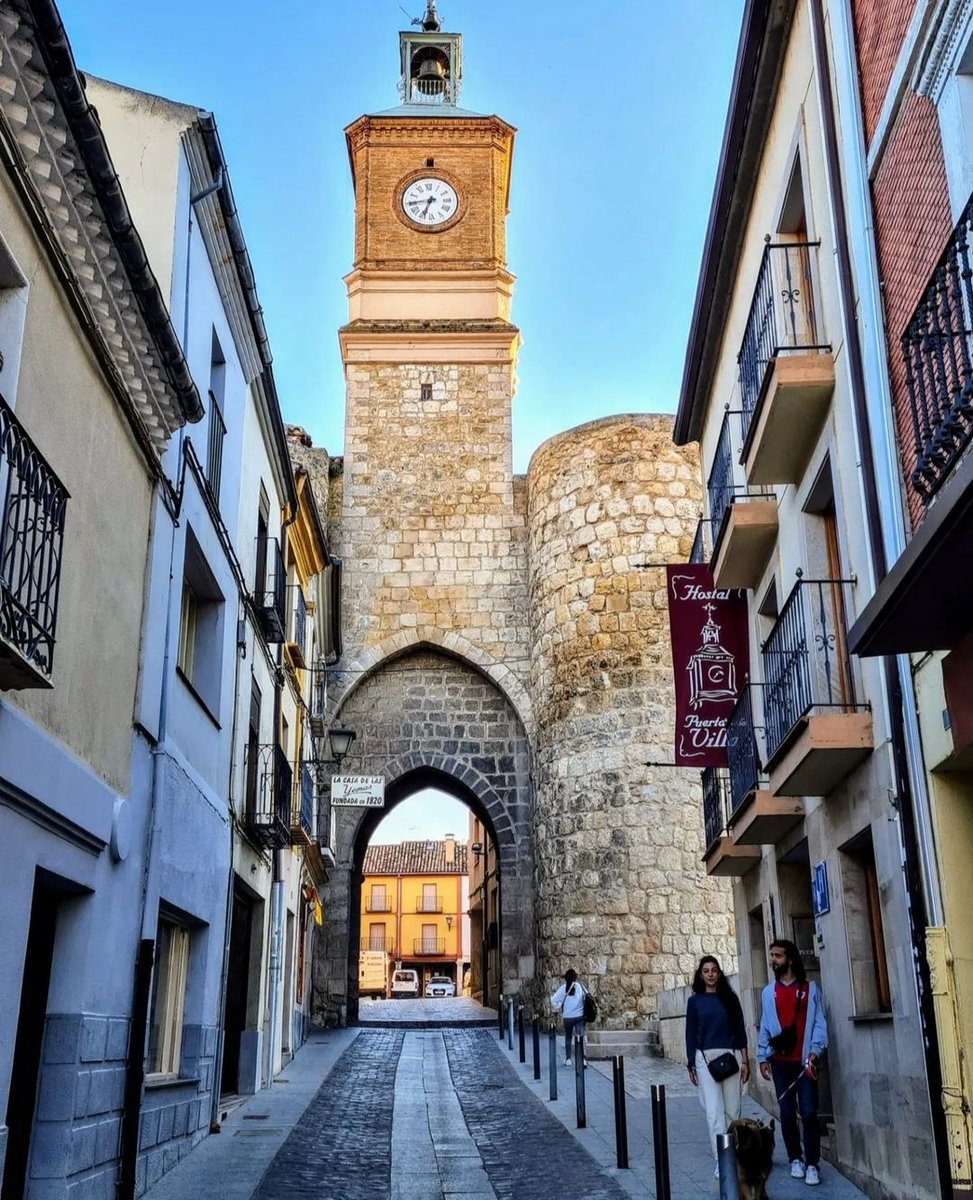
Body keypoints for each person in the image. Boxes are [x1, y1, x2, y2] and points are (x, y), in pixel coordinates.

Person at [757, 938, 828, 1187]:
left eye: (777, 956)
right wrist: (762, 1056)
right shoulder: (768, 992)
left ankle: (812, 1163)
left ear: (789, 958)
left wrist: (815, 1051)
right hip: (779, 1061)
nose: (773, 960)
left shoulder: (810, 990)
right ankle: (794, 1158)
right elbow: (765, 1025)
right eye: (772, 955)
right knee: (786, 1113)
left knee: (809, 1112)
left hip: (804, 1061)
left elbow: (819, 1022)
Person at [685, 955, 750, 1177]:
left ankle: (735, 1156)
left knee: (733, 1111)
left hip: (730, 1056)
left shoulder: (730, 999)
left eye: (714, 970)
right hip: (704, 1059)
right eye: (706, 971)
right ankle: (720, 1160)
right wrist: (691, 1063)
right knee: (713, 1112)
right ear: (700, 975)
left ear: (719, 973)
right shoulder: (694, 1002)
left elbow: (740, 1030)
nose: (711, 974)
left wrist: (745, 1060)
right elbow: (690, 1034)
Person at [550, 968, 587, 1066]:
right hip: (579, 1016)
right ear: (575, 977)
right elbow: (586, 998)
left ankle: (568, 1058)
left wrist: (559, 1005)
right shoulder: (580, 987)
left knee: (568, 1037)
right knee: (581, 1037)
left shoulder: (563, 989)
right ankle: (583, 1059)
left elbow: (553, 1001)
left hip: (568, 1017)